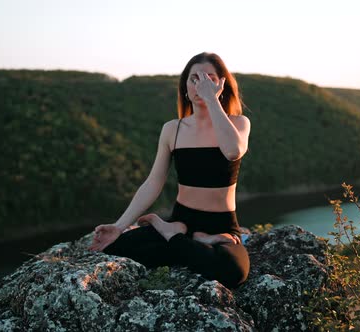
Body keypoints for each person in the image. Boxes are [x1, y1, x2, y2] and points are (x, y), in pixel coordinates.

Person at [88, 52, 251, 288]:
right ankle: (182, 235)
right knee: (114, 248)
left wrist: (211, 99)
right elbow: (154, 181)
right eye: (194, 79)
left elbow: (232, 151)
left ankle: (181, 237)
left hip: (222, 226)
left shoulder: (238, 123)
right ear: (185, 86)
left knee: (232, 272)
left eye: (209, 78)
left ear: (221, 85)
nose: (201, 85)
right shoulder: (172, 129)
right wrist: (119, 226)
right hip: (182, 217)